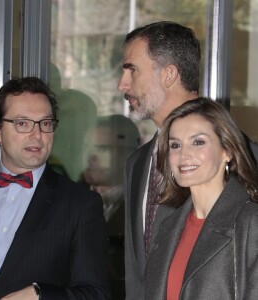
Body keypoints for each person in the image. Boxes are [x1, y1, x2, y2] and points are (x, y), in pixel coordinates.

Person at [0, 77, 110, 299]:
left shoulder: (81, 204)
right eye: (22, 123)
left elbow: (96, 294)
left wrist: (40, 295)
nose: (37, 135)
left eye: (45, 124)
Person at [117, 21, 201, 299]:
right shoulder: (137, 163)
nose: (122, 85)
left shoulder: (235, 154)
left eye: (132, 70)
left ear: (168, 74)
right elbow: (136, 271)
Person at [145, 98, 258, 299]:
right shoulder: (168, 227)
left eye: (198, 142)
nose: (184, 155)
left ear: (228, 150)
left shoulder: (250, 222)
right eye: (175, 145)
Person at [81, 114, 140, 300]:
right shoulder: (67, 198)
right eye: (87, 148)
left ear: (127, 153)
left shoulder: (142, 206)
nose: (91, 157)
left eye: (101, 149)